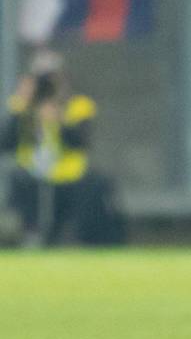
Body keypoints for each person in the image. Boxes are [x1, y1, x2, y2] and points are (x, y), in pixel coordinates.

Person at [1, 51, 125, 247]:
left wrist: (59, 119)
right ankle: (28, 234)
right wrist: (22, 108)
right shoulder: (21, 106)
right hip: (31, 176)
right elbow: (5, 144)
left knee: (93, 185)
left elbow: (81, 143)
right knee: (19, 184)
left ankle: (73, 236)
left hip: (69, 177)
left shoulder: (77, 105)